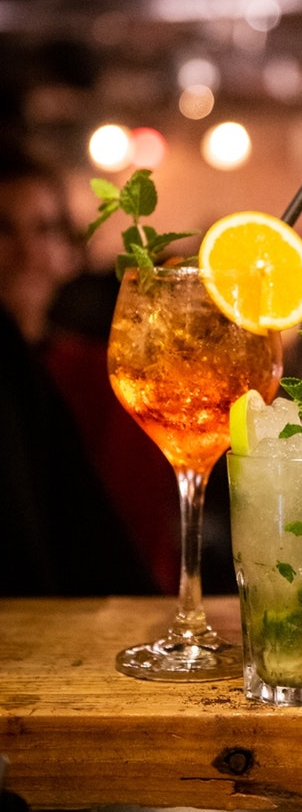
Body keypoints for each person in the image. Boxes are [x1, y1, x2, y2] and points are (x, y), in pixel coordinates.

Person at [0, 146, 157, 595]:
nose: (28, 252)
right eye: (3, 229)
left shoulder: (105, 374)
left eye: (45, 230)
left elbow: (137, 535)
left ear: (69, 252)